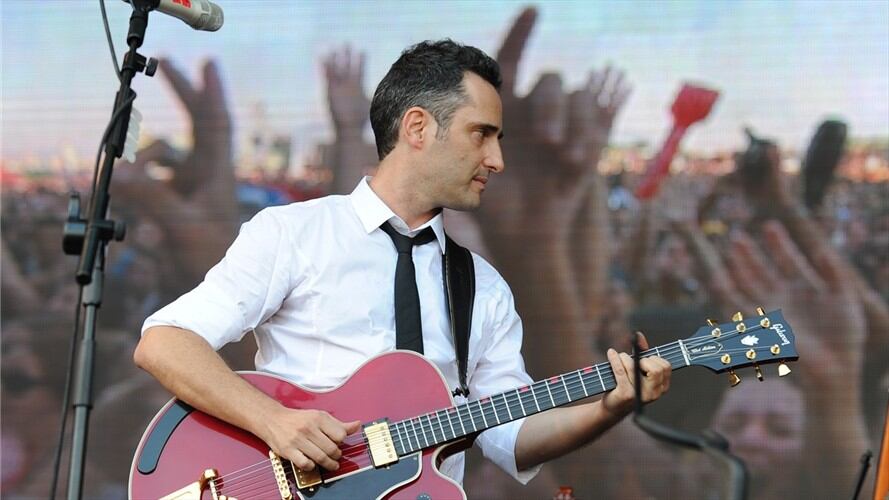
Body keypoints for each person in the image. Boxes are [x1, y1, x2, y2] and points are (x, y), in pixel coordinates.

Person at [134, 39, 672, 488]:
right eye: (480, 134)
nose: (497, 160)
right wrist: (274, 422)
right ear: (417, 128)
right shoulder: (295, 233)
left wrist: (611, 406)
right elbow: (164, 342)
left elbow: (513, 438)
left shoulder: (482, 289)